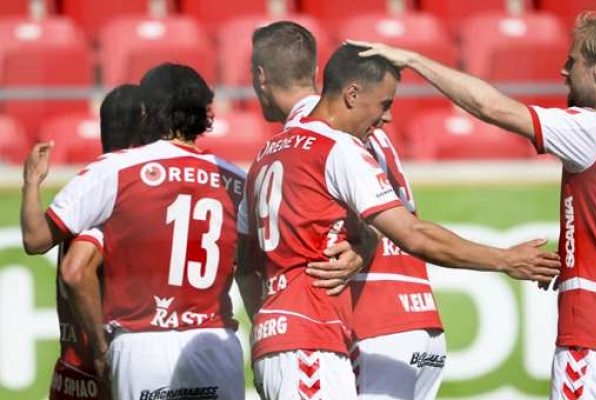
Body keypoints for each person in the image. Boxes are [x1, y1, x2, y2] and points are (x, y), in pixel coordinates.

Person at [350, 11, 596, 399]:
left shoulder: (595, 130)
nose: (564, 71)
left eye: (573, 60)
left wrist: (414, 60)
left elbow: (492, 107)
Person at [239, 43, 561, 400]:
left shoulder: (264, 156)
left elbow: (246, 262)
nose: (387, 119)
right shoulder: (339, 147)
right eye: (385, 104)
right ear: (351, 93)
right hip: (346, 330)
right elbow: (412, 233)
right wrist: (504, 259)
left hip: (295, 334)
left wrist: (268, 326)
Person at [246, 21, 447, 399]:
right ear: (316, 72)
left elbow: (387, 224)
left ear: (260, 77)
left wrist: (364, 244)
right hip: (420, 320)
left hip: (374, 325)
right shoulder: (365, 124)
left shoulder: (319, 130)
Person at [21, 63, 246, 400]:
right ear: (205, 114)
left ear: (147, 111)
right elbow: (258, 262)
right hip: (214, 342)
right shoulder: (235, 179)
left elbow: (38, 240)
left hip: (143, 343)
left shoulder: (118, 169)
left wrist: (31, 182)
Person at [22, 84, 146, 400]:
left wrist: (32, 183)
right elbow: (76, 271)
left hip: (68, 375)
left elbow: (34, 240)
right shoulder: (122, 190)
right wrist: (103, 350)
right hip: (105, 373)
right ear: (146, 124)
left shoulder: (86, 187)